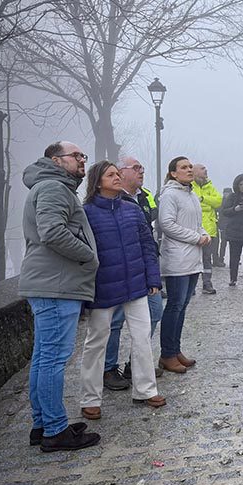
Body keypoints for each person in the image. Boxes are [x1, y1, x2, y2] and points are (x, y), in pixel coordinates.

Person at [19, 141, 101, 452]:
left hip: (51, 282)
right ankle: (55, 429)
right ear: (56, 160)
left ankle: (42, 424)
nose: (82, 160)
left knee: (43, 358)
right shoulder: (54, 187)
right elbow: (52, 232)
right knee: (53, 359)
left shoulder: (52, 186)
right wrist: (89, 257)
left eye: (83, 156)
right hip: (56, 283)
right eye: (76, 156)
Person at [79, 161, 166, 419]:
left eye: (118, 173)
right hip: (103, 288)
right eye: (110, 175)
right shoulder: (86, 213)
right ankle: (90, 398)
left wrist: (153, 278)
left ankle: (146, 390)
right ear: (97, 181)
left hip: (137, 285)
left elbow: (147, 245)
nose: (117, 177)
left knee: (141, 338)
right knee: (96, 342)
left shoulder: (132, 210)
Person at [101, 155, 163, 389]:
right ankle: (108, 369)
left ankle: (135, 363)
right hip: (118, 271)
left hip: (144, 267)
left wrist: (152, 270)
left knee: (155, 312)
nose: (141, 171)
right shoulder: (110, 199)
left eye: (142, 167)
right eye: (136, 168)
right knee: (115, 321)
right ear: (121, 172)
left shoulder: (144, 198)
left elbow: (147, 236)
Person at [157, 156, 209, 373]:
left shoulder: (192, 195)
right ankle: (167, 354)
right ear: (173, 173)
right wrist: (195, 238)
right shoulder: (169, 195)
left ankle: (175, 349)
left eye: (190, 167)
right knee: (174, 306)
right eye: (183, 168)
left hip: (192, 260)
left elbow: (198, 222)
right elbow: (167, 224)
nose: (189, 170)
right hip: (177, 259)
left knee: (183, 307)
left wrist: (204, 233)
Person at [191, 163, 223, 295]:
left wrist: (204, 199)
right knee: (192, 259)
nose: (206, 171)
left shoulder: (210, 186)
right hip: (193, 230)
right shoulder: (190, 186)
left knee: (207, 259)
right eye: (203, 169)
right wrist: (208, 205)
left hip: (209, 230)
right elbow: (192, 203)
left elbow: (219, 201)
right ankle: (191, 287)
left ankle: (207, 283)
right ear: (195, 172)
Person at [216, 187, 233, 266]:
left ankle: (233, 258)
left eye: (227, 193)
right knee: (223, 243)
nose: (226, 194)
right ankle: (221, 258)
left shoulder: (233, 201)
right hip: (223, 225)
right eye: (225, 193)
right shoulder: (221, 202)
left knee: (232, 243)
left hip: (231, 225)